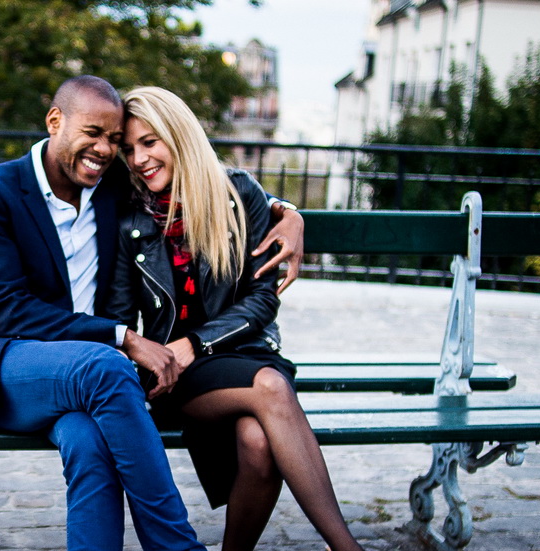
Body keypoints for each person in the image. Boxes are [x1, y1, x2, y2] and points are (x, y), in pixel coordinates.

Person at [0, 75, 305, 551]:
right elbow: (8, 311)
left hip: (88, 375)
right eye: (93, 133)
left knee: (90, 445)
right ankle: (177, 546)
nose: (105, 149)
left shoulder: (110, 184)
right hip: (12, 365)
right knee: (108, 365)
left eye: (114, 139)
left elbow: (199, 182)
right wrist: (127, 337)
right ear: (55, 121)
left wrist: (288, 213)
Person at [106, 86, 366, 551]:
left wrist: (198, 343)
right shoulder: (130, 216)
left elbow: (262, 300)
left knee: (259, 444)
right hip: (177, 372)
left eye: (150, 142)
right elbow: (121, 316)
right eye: (128, 149)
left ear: (178, 135)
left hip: (244, 352)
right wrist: (154, 355)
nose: (139, 158)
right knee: (270, 387)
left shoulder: (237, 193)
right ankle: (347, 547)